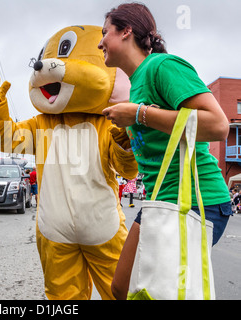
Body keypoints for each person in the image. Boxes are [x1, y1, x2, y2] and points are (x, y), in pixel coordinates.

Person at [98, 2, 232, 299]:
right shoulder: (136, 85)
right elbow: (165, 140)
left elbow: (218, 125)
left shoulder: (162, 66)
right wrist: (130, 140)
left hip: (198, 200)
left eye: (105, 32)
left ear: (126, 31)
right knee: (122, 286)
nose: (99, 42)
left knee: (162, 292)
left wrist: (138, 116)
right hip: (161, 198)